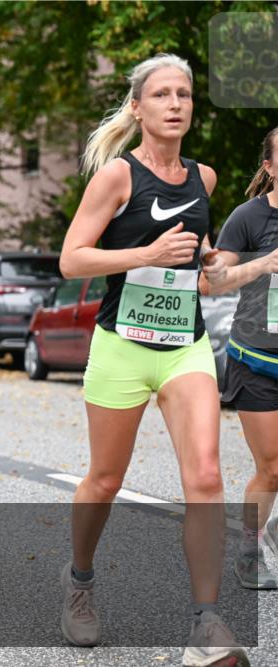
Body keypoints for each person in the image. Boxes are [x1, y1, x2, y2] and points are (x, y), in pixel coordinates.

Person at [58, 53, 248, 666]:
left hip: (184, 346)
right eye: (162, 94)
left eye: (184, 95)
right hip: (122, 346)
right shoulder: (116, 176)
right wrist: (147, 253)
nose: (175, 104)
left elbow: (200, 260)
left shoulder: (206, 179)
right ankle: (80, 581)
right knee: (105, 480)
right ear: (138, 108)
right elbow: (73, 260)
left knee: (207, 477)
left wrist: (212, 264)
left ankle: (207, 622)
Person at [201, 126, 278, 590]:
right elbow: (213, 282)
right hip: (258, 358)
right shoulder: (249, 218)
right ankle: (249, 547)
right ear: (269, 166)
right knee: (272, 467)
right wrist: (262, 264)